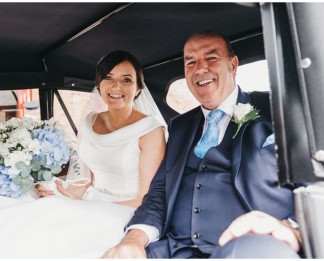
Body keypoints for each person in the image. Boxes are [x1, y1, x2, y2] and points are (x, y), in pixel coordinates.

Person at [102, 30, 302, 259]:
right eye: (191, 62)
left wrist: (293, 228)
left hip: (250, 248)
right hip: (173, 249)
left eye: (211, 58)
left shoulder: (279, 110)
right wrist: (134, 240)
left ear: (233, 65)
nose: (200, 69)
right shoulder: (180, 126)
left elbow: (320, 184)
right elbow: (159, 193)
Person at [0, 50, 167, 257]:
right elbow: (91, 177)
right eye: (108, 78)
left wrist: (85, 204)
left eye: (126, 80)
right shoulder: (90, 121)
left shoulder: (150, 130)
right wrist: (67, 189)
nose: (116, 87)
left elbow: (147, 198)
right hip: (91, 198)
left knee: (51, 223)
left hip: (128, 210)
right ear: (99, 85)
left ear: (138, 88)